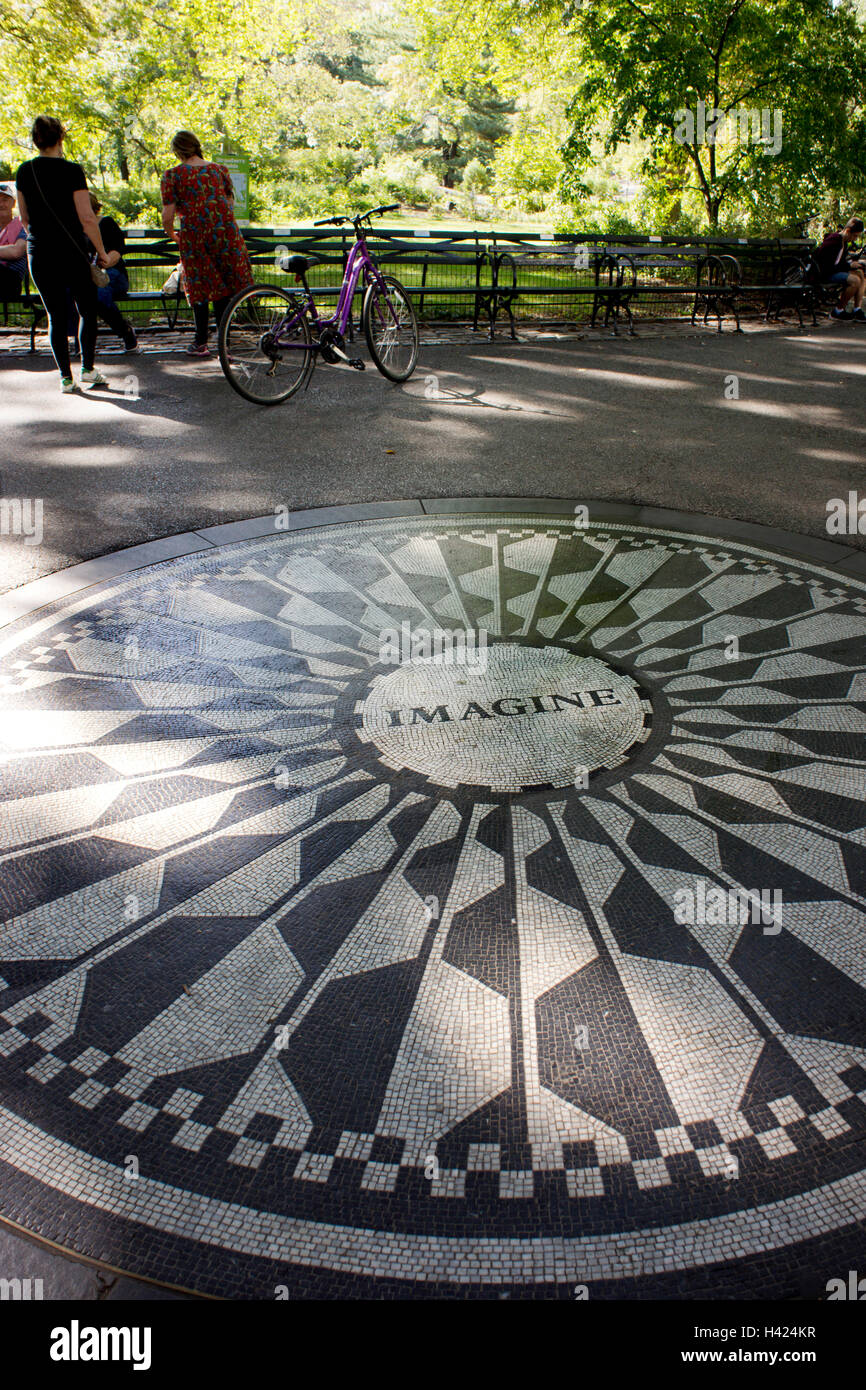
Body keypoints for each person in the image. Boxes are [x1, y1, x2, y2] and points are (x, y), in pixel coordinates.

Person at [15, 115, 110, 392]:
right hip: (71, 250)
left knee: (55, 315)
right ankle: (88, 369)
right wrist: (101, 251)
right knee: (86, 309)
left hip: (40, 250)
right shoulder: (72, 171)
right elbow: (87, 217)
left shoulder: (25, 171)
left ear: (36, 140)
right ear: (61, 138)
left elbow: (24, 218)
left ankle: (66, 379)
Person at [160, 131, 253, 357]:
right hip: (225, 235)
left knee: (201, 286)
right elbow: (229, 204)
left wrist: (172, 233)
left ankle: (200, 342)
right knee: (224, 289)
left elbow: (167, 215)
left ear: (177, 151)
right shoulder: (219, 170)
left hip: (195, 237)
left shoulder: (172, 176)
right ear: (196, 146)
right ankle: (224, 344)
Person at [811, 216, 866, 321]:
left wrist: (853, 264)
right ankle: (838, 311)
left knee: (860, 274)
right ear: (848, 231)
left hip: (833, 271)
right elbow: (829, 265)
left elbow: (839, 262)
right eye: (855, 236)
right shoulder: (833, 241)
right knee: (855, 281)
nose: (855, 239)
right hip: (824, 274)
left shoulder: (843, 242)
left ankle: (857, 310)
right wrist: (849, 266)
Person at [0, 181, 27, 302]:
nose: (1, 204)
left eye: (5, 199)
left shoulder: (22, 226)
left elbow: (16, 251)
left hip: (10, 281)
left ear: (13, 203)